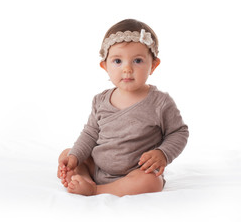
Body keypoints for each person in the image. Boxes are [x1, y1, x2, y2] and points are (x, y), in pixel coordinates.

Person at [57, 19, 189, 197]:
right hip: (98, 166)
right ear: (105, 66)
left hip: (135, 172)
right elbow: (90, 134)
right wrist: (74, 158)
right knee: (67, 154)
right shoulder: (101, 100)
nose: (127, 69)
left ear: (153, 65)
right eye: (118, 61)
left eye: (137, 61)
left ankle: (96, 189)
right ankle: (83, 176)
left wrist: (162, 153)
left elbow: (179, 132)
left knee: (152, 182)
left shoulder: (160, 103)